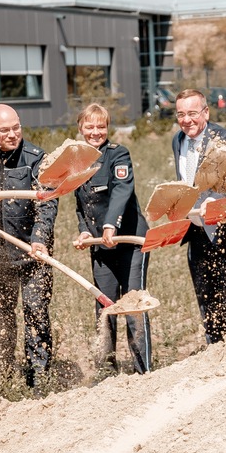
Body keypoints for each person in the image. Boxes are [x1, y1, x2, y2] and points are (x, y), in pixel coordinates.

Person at [0, 104, 56, 391]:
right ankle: (4, 375)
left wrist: (40, 238)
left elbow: (47, 203)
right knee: (0, 319)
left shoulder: (37, 159)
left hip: (33, 254)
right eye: (4, 130)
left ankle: (40, 377)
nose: (12, 134)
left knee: (36, 314)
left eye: (16, 127)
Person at [73, 103, 151, 374]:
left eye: (101, 126)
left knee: (133, 306)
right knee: (105, 309)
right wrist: (84, 229)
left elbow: (121, 192)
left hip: (130, 242)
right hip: (101, 246)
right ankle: (107, 373)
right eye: (90, 126)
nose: (96, 132)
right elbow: (81, 203)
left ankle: (144, 370)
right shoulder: (77, 161)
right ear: (81, 128)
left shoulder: (119, 155)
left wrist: (110, 226)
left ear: (108, 128)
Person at [171, 88, 226, 344]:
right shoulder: (178, 140)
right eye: (181, 114)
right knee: (207, 298)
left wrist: (214, 201)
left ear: (205, 112)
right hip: (195, 232)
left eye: (193, 113)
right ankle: (214, 349)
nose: (187, 120)